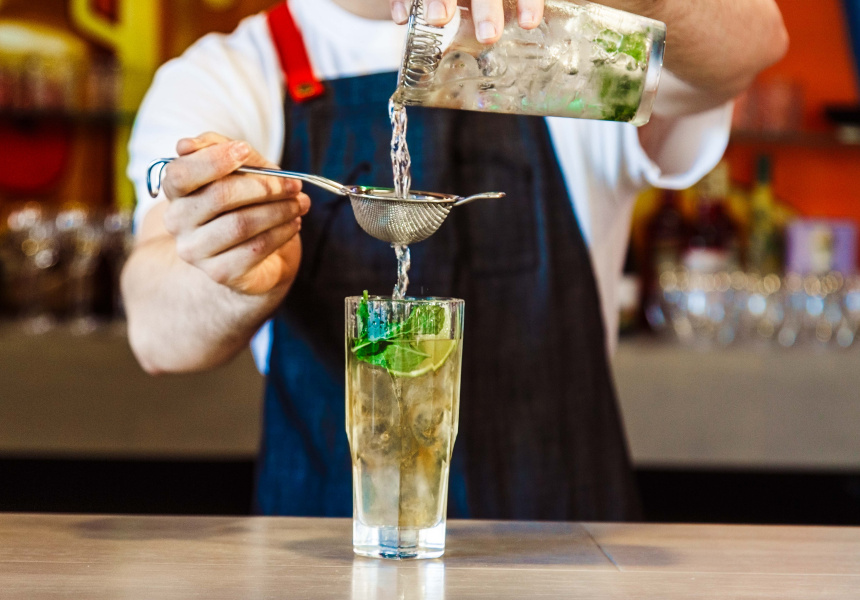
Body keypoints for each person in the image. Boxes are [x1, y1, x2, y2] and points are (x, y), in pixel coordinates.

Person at [123, 0, 788, 520]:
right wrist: (230, 273)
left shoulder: (554, 43)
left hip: (563, 551)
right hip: (331, 551)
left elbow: (752, 49)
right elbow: (157, 330)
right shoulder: (231, 74)